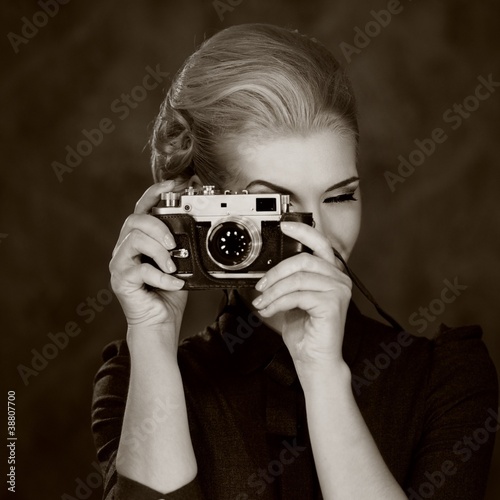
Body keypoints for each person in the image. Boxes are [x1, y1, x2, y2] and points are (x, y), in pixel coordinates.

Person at [92, 23, 498, 499]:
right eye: (275, 206)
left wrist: (324, 376)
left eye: (340, 196)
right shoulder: (139, 379)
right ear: (204, 209)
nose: (318, 236)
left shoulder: (447, 380)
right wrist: (154, 335)